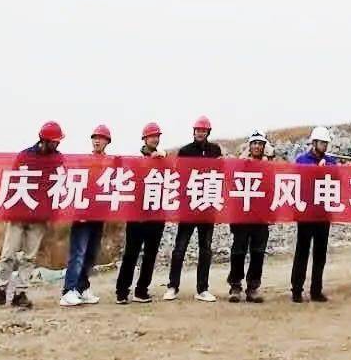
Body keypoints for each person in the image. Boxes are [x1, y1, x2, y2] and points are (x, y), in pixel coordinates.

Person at [0, 121, 64, 309]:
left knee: (29, 257)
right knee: (8, 254)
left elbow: (58, 186)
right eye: (54, 141)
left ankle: (21, 292)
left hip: (40, 215)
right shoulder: (25, 156)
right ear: (44, 140)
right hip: (19, 212)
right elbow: (14, 182)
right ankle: (0, 290)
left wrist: (52, 214)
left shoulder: (58, 159)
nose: (57, 144)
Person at [164, 115, 222, 302]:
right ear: (194, 132)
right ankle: (173, 286)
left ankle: (202, 288)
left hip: (207, 206)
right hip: (189, 207)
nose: (200, 133)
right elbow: (178, 176)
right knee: (180, 248)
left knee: (205, 249)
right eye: (198, 130)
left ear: (208, 133)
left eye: (203, 131)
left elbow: (220, 175)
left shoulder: (215, 150)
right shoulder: (185, 151)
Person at [60, 125, 111, 307]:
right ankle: (69, 290)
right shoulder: (84, 162)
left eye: (101, 138)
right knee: (78, 252)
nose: (97, 140)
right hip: (82, 214)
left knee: (90, 253)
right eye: (95, 137)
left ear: (107, 142)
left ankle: (82, 287)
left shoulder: (110, 163)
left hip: (99, 214)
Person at [116, 121, 165, 302]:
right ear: (144, 138)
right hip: (136, 214)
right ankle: (122, 291)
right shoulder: (136, 160)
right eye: (151, 136)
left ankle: (141, 290)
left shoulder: (163, 160)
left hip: (157, 213)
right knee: (131, 253)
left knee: (150, 254)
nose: (155, 139)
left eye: (157, 136)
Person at [292, 125, 338, 303]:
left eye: (326, 143)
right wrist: (317, 169)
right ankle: (296, 289)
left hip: (323, 213)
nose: (325, 146)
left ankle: (316, 290)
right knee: (302, 251)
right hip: (306, 213)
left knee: (320, 253)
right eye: (322, 143)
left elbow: (338, 178)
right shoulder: (302, 159)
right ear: (314, 143)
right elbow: (301, 177)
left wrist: (330, 167)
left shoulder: (330, 160)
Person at [228, 131, 272, 303]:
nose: (257, 147)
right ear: (249, 146)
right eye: (254, 143)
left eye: (260, 144)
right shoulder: (240, 164)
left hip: (260, 217)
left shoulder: (268, 167)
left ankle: (253, 286)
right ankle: (235, 285)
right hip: (241, 215)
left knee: (258, 252)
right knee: (238, 252)